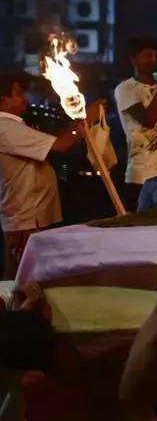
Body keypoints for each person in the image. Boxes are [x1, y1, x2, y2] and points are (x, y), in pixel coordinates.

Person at [0, 74, 87, 277]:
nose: (25, 98)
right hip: (25, 218)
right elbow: (60, 145)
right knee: (23, 278)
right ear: (3, 101)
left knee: (34, 276)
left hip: (34, 217)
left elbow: (54, 141)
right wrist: (85, 122)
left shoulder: (14, 126)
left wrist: (75, 125)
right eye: (18, 93)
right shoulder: (5, 128)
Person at [114, 38, 157, 204]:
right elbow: (148, 120)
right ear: (133, 60)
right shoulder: (126, 88)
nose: (154, 60)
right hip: (141, 174)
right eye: (148, 55)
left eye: (156, 56)